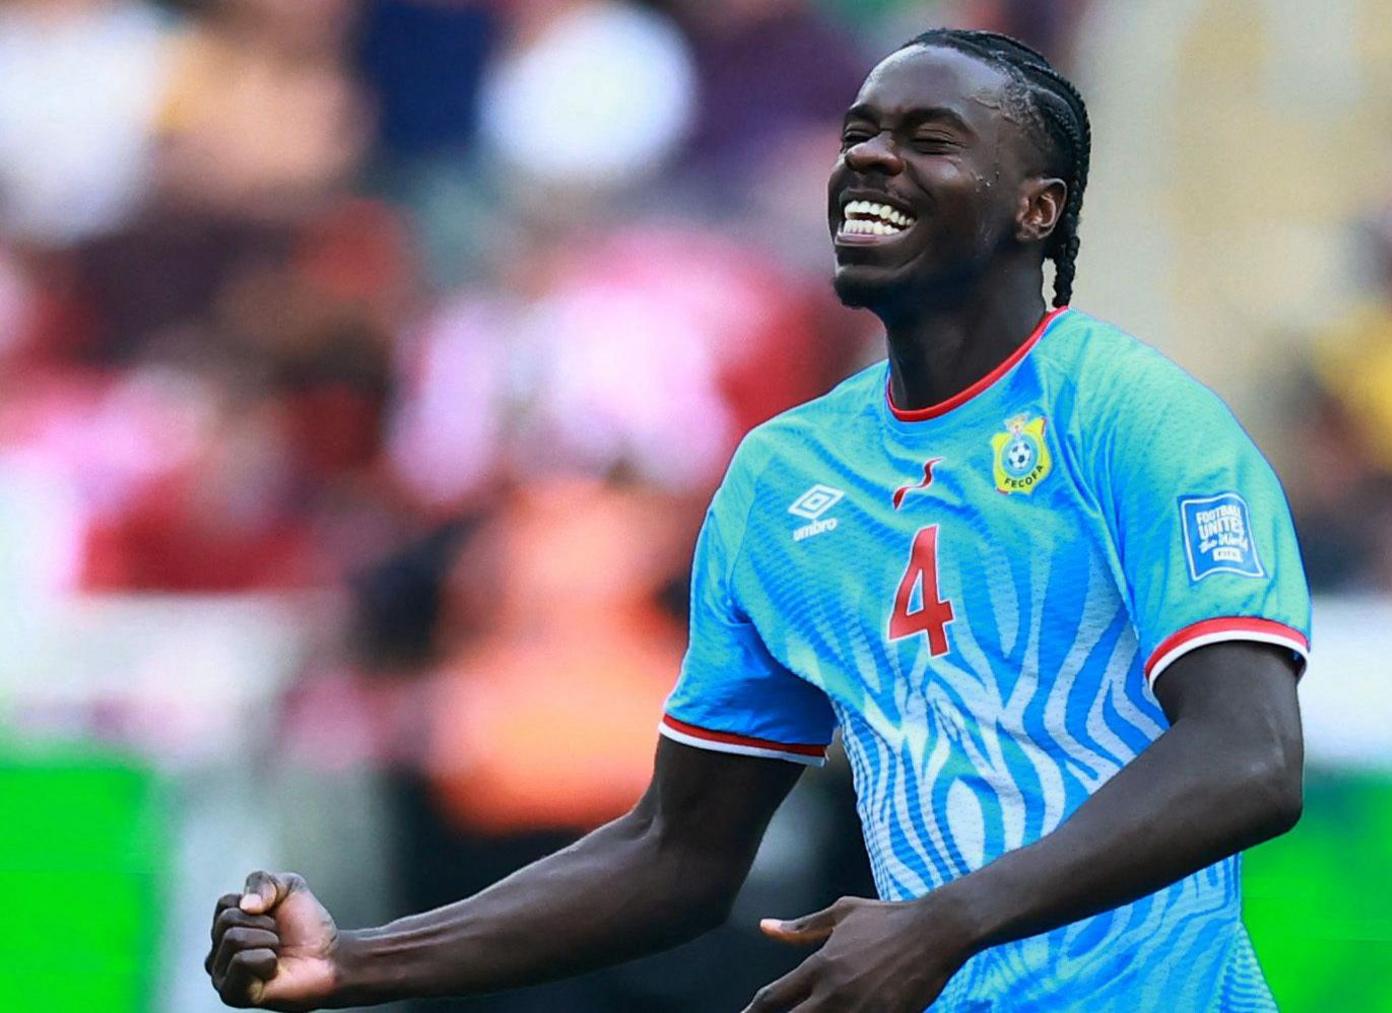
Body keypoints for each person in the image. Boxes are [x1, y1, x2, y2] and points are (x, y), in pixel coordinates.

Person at [206, 28, 1311, 1011]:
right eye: (859, 134)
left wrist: (939, 922)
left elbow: (1249, 756)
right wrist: (355, 960)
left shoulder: (1129, 415)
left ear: (1039, 209)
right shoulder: (784, 477)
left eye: (929, 138)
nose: (872, 159)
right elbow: (677, 848)